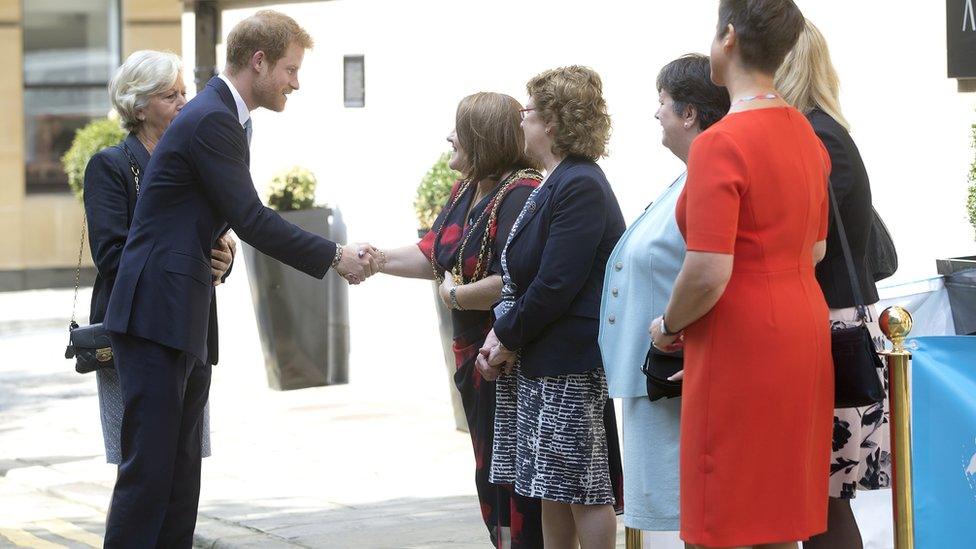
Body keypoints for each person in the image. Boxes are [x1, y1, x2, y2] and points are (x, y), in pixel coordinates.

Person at [100, 11, 375, 548]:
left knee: (180, 481)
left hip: (183, 313)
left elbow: (210, 215)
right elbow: (252, 218)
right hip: (157, 314)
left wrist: (215, 245)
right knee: (150, 477)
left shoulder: (221, 116)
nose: (295, 82)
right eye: (290, 70)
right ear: (258, 62)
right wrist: (334, 255)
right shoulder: (212, 119)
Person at [649, 1, 833, 547]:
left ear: (728, 38)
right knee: (776, 516)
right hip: (800, 330)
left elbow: (707, 271)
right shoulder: (805, 132)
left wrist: (667, 326)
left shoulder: (721, 143)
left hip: (741, 338)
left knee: (721, 518)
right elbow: (816, 249)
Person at [373, 92, 545, 548]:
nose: (450, 137)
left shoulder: (522, 192)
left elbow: (514, 278)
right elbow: (434, 251)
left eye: (460, 130)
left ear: (483, 139)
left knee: (513, 479)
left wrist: (457, 296)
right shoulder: (468, 188)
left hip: (504, 359)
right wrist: (373, 260)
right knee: (489, 473)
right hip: (471, 357)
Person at [477, 65, 625, 549]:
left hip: (569, 361)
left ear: (554, 123)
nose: (521, 123)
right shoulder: (555, 180)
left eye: (528, 113)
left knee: (581, 488)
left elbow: (557, 283)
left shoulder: (580, 183)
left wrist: (505, 337)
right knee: (550, 490)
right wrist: (505, 336)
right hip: (543, 360)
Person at [598, 54, 728, 534]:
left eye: (663, 104)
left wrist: (670, 328)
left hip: (676, 377)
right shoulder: (686, 177)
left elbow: (711, 272)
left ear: (690, 113)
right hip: (655, 380)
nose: (657, 114)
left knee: (701, 521)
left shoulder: (708, 176)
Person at [84, 50, 232, 467]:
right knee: (142, 467)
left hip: (191, 330)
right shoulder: (110, 166)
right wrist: (194, 257)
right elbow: (113, 256)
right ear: (139, 105)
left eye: (185, 92)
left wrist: (223, 259)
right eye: (171, 95)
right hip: (136, 333)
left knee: (184, 465)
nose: (185, 103)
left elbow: (209, 237)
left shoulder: (192, 164)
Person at [776, 20, 888, 549]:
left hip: (830, 328)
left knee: (823, 501)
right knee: (819, 500)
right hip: (834, 322)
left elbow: (804, 240)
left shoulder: (816, 134)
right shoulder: (821, 130)